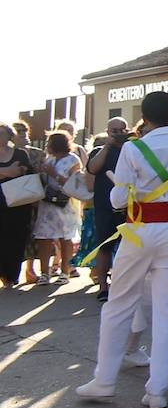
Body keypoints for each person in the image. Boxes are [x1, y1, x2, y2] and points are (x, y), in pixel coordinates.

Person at [74, 90, 168, 408]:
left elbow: (117, 201)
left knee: (119, 305)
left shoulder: (134, 148)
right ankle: (157, 390)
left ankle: (105, 380)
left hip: (138, 233)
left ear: (145, 119)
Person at [86, 118, 131, 300]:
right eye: (114, 130)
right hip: (105, 206)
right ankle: (103, 286)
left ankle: (125, 286)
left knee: (129, 248)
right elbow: (92, 168)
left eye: (121, 130)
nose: (118, 134)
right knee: (104, 246)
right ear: (107, 131)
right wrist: (107, 146)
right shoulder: (99, 151)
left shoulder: (132, 150)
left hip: (129, 206)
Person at [33, 131, 82, 284]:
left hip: (64, 203)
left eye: (49, 143)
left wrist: (54, 174)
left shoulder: (73, 160)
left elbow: (74, 183)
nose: (47, 146)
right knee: (44, 237)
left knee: (64, 237)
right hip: (47, 203)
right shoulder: (50, 159)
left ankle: (65, 272)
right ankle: (44, 273)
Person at [0, 122, 38, 288]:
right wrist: (7, 172)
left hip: (18, 203)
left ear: (10, 135)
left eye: (2, 133)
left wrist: (8, 172)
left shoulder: (20, 154)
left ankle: (12, 275)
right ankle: (3, 274)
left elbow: (26, 172)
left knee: (17, 238)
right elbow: (13, 172)